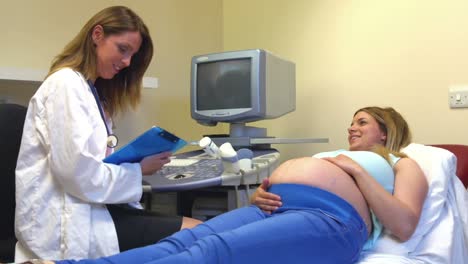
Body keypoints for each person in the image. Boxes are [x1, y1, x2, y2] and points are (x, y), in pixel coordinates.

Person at [30, 106, 428, 264]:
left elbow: (405, 224)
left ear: (386, 130)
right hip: (271, 206)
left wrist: (355, 173)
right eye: (352, 121)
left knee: (211, 252)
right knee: (180, 243)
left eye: (362, 122)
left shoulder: (402, 163)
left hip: (331, 220)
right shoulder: (346, 156)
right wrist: (264, 193)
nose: (351, 127)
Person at [14, 6, 201, 262]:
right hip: (70, 221)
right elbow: (78, 174)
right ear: (97, 35)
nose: (126, 62)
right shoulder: (66, 85)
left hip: (96, 208)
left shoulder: (92, 93)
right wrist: (138, 170)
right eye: (123, 49)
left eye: (132, 55)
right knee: (197, 235)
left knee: (198, 231)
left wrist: (133, 163)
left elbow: (90, 166)